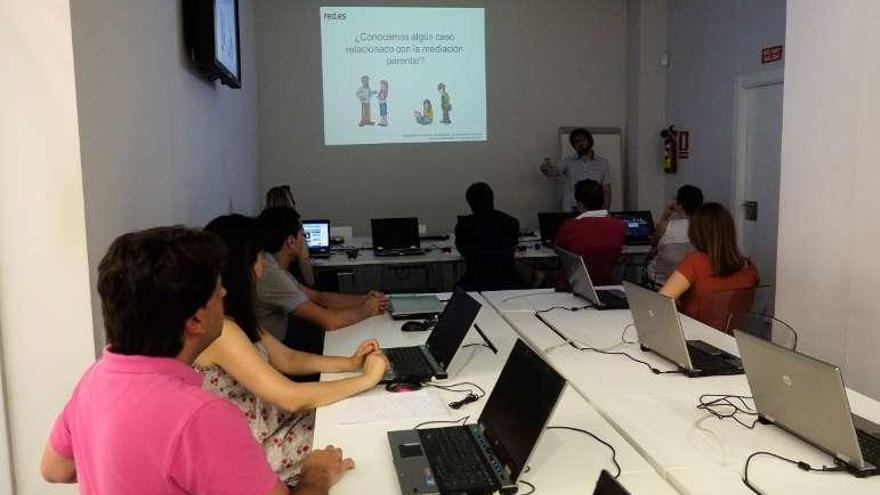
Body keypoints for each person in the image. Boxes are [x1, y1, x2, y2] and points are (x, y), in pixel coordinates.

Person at [41, 226, 355, 495]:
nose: (224, 294)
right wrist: (316, 476)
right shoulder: (201, 416)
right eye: (217, 290)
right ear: (194, 320)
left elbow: (55, 469)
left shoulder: (94, 379)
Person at [199, 215, 388, 484]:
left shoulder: (235, 317)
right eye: (258, 256)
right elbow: (290, 397)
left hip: (275, 422)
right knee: (364, 432)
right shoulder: (223, 331)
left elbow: (286, 358)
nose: (263, 263)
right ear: (243, 265)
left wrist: (350, 362)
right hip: (264, 444)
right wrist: (367, 379)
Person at [256, 206, 389, 341]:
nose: (305, 241)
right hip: (276, 351)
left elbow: (318, 297)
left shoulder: (271, 262)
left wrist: (365, 299)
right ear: (291, 242)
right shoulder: (272, 274)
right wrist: (367, 309)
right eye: (303, 235)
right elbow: (329, 321)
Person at [659, 202, 759, 323]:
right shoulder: (750, 269)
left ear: (695, 232)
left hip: (694, 336)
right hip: (733, 339)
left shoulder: (695, 262)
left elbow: (661, 304)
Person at [554, 179, 626, 286]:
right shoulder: (619, 226)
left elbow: (558, 249)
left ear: (580, 204)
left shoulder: (570, 226)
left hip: (574, 286)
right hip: (605, 285)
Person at [455, 182, 522, 290]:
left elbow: (463, 252)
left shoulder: (463, 226)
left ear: (470, 203)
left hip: (475, 281)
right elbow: (513, 245)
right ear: (492, 199)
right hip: (508, 280)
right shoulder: (511, 222)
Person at [540, 128, 612, 211]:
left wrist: (606, 209)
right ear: (573, 145)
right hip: (572, 208)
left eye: (582, 140)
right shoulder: (568, 161)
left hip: (594, 208)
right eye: (576, 141)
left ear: (589, 141)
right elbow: (552, 172)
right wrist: (545, 168)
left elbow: (606, 188)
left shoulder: (602, 162)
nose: (580, 144)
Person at [646, 184, 704, 285]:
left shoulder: (666, 226)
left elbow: (653, 242)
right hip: (690, 282)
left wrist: (664, 216)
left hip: (662, 281)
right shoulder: (705, 228)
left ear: (679, 206)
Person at [264, 185, 316, 287]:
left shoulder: (262, 224)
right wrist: (312, 284)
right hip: (293, 281)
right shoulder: (294, 225)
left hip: (269, 280)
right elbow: (304, 259)